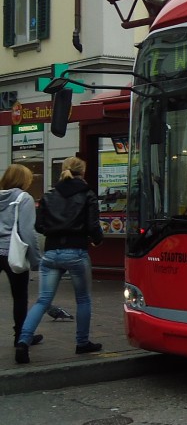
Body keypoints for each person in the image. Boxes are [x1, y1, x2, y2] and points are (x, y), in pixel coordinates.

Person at [15, 156, 105, 364]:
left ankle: (23, 342)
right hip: (76, 252)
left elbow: (39, 226)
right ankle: (82, 342)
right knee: (83, 299)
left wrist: (54, 232)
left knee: (43, 300)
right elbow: (93, 226)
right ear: (82, 172)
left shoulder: (49, 195)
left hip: (52, 253)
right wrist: (97, 240)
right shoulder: (87, 194)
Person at [0, 164, 43, 348]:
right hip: (12, 253)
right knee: (19, 297)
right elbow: (27, 232)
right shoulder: (24, 198)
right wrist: (36, 261)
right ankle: (21, 337)